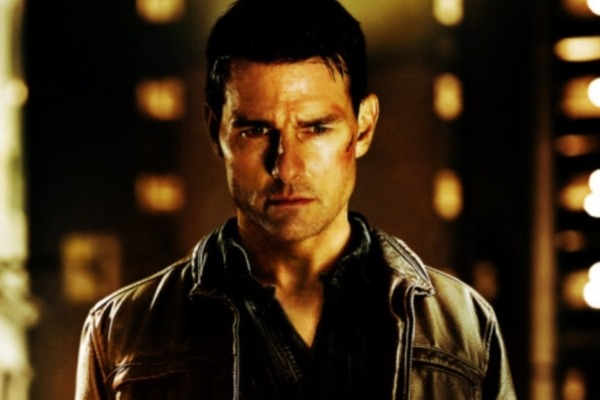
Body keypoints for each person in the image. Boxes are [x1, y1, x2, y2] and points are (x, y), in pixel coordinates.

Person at [75, 0, 516, 399]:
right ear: (215, 131)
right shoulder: (122, 334)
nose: (285, 166)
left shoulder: (462, 327)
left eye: (316, 128)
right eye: (255, 130)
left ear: (363, 127)